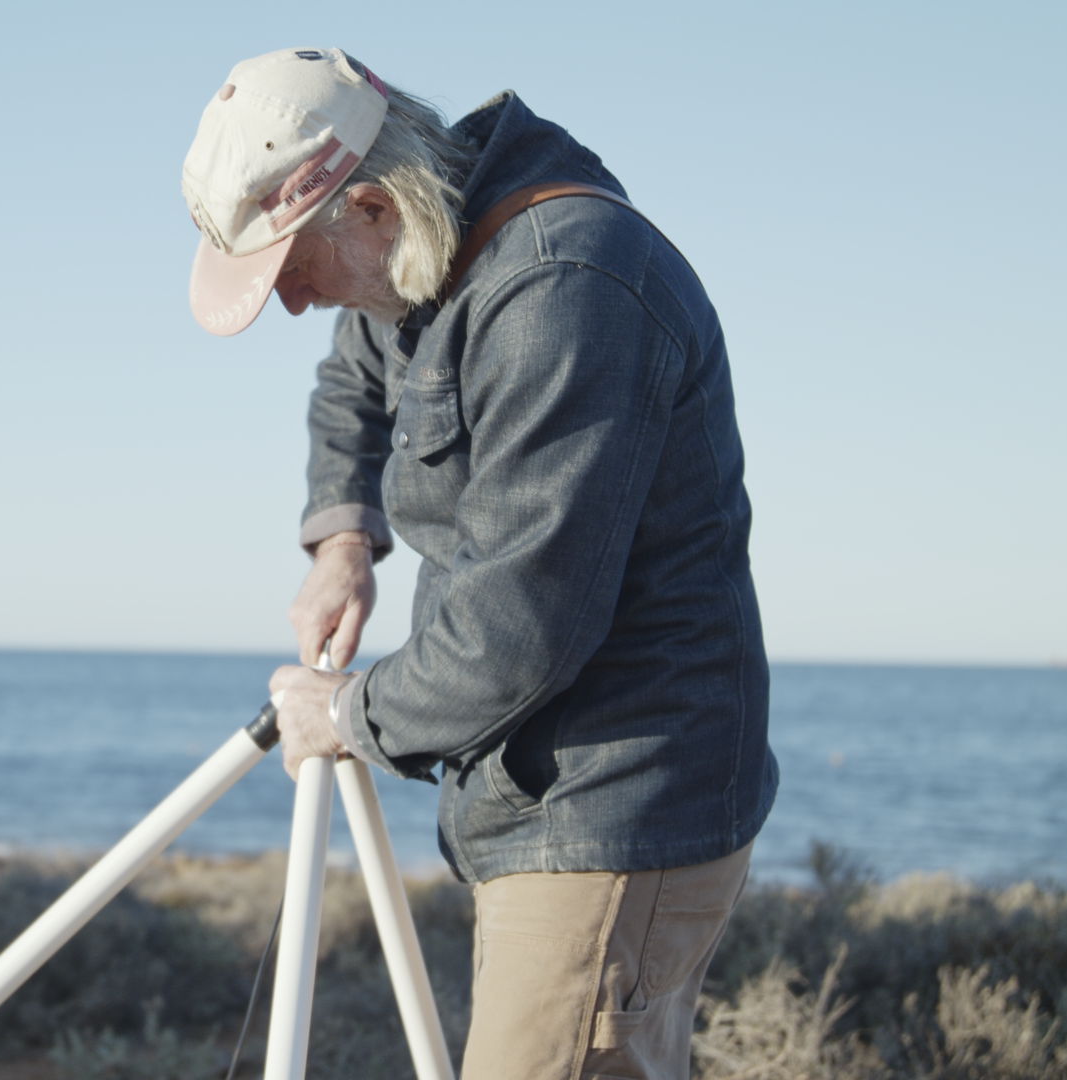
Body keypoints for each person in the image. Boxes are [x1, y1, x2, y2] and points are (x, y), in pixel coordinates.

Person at [181, 48, 777, 1080]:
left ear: (370, 208)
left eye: (294, 273)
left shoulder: (562, 290)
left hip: (613, 802)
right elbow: (350, 385)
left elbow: (522, 626)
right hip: (544, 796)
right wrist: (342, 540)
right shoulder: (428, 253)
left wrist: (349, 716)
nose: (290, 305)